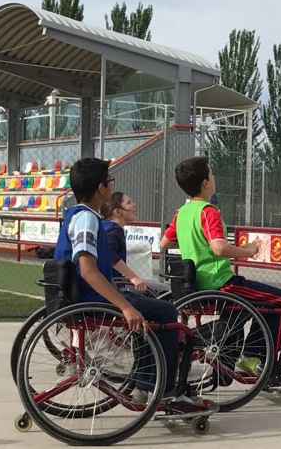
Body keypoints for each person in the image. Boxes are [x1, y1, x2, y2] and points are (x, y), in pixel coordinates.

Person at [53, 158, 179, 403]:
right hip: (91, 297)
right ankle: (161, 388)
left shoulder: (77, 215)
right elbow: (88, 271)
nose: (111, 186)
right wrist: (125, 306)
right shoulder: (88, 220)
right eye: (110, 181)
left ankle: (146, 383)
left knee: (147, 307)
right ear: (102, 188)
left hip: (87, 294)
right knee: (167, 312)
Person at [161, 156, 281, 374]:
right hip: (220, 282)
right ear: (205, 182)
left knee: (255, 305)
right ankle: (257, 358)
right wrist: (247, 251)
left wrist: (191, 239)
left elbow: (165, 243)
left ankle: (237, 357)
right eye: (212, 174)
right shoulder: (208, 211)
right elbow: (219, 248)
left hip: (194, 284)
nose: (214, 178)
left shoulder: (181, 213)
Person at [101, 191, 171, 296]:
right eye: (128, 203)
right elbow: (109, 254)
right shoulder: (115, 230)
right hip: (115, 285)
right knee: (164, 290)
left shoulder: (104, 226)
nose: (134, 204)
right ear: (117, 212)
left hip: (110, 282)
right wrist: (133, 277)